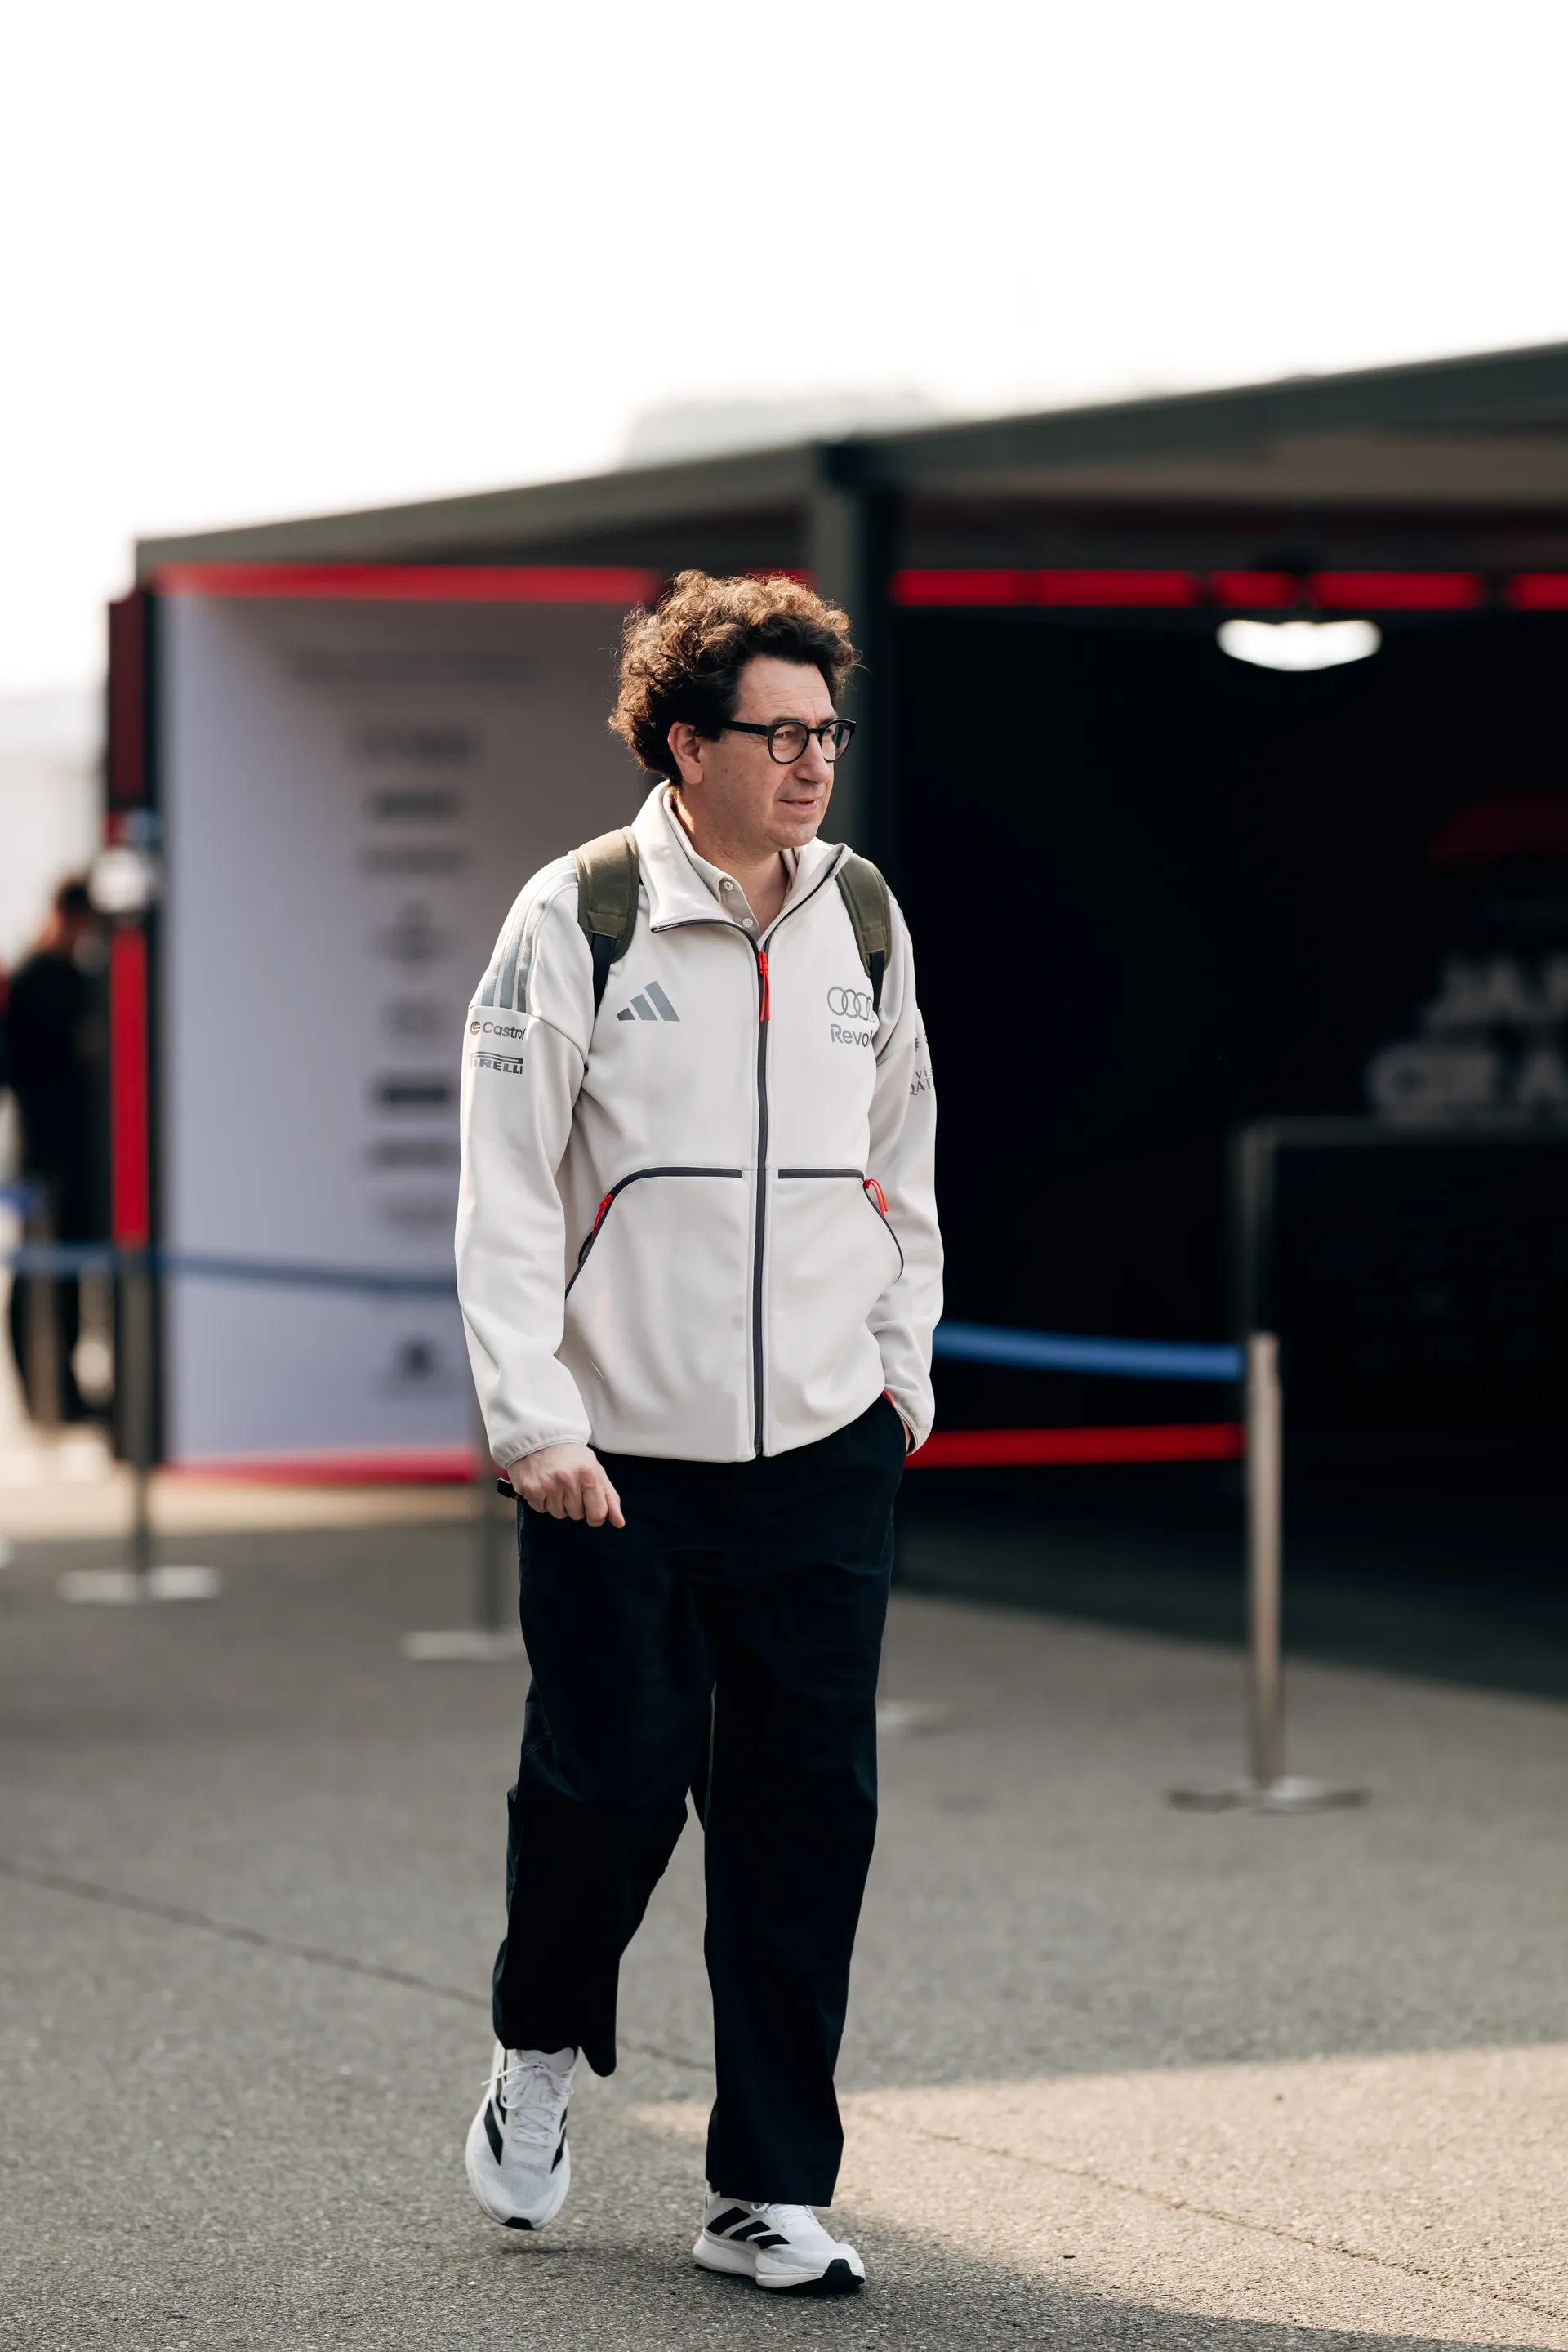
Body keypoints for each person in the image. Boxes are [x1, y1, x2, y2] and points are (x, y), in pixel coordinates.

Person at [454, 572, 941, 2292]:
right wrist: (533, 1417)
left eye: (827, 732)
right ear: (687, 742)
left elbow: (905, 1161)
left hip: (822, 1450)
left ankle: (766, 2189)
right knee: (606, 1791)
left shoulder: (860, 916)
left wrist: (900, 1377)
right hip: (615, 1462)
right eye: (778, 734)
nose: (813, 764)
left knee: (810, 1816)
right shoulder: (577, 915)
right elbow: (508, 1192)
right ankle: (537, 2040)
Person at [6, 877, 105, 1420]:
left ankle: (60, 1389)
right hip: (37, 1156)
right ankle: (40, 1394)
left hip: (72, 1157)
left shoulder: (78, 978)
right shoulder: (31, 979)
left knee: (70, 1273)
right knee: (37, 1270)